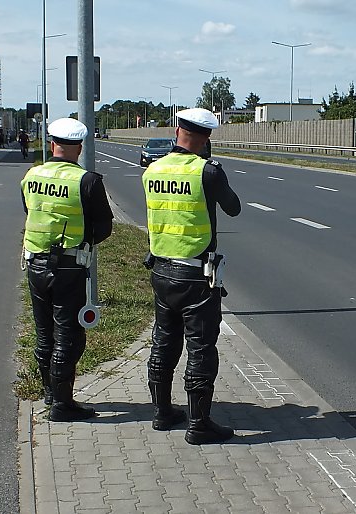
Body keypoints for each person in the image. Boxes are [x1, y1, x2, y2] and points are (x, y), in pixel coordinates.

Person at [142, 107, 241, 444]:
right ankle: (199, 425)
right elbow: (233, 207)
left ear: (176, 130)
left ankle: (162, 413)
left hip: (161, 271)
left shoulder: (153, 169)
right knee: (200, 349)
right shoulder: (207, 172)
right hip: (196, 276)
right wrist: (215, 172)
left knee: (163, 342)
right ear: (207, 137)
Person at [21, 117, 113, 422]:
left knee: (44, 333)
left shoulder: (32, 175)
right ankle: (62, 404)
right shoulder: (87, 181)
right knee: (69, 336)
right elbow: (103, 228)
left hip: (35, 265)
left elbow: (30, 210)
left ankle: (50, 393)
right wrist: (83, 240)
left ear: (51, 145)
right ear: (80, 147)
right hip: (69, 269)